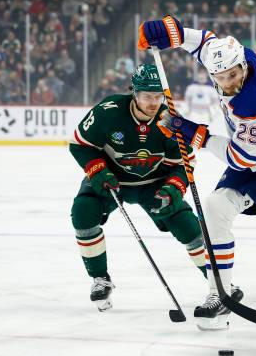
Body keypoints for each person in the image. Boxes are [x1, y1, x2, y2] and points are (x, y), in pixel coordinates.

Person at [138, 15, 256, 330]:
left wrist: (197, 135)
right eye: (220, 77)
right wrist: (172, 33)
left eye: (233, 74)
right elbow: (204, 41)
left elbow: (241, 158)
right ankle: (220, 292)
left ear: (244, 67)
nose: (228, 81)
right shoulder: (233, 55)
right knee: (215, 206)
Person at [69, 64, 223, 311]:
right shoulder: (108, 111)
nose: (153, 102)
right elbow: (80, 145)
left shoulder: (170, 121)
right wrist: (97, 170)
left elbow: (183, 164)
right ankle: (100, 278)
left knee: (186, 225)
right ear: (134, 93)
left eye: (157, 96)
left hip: (152, 184)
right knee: (83, 210)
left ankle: (219, 283)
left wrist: (173, 188)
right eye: (146, 96)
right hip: (111, 181)